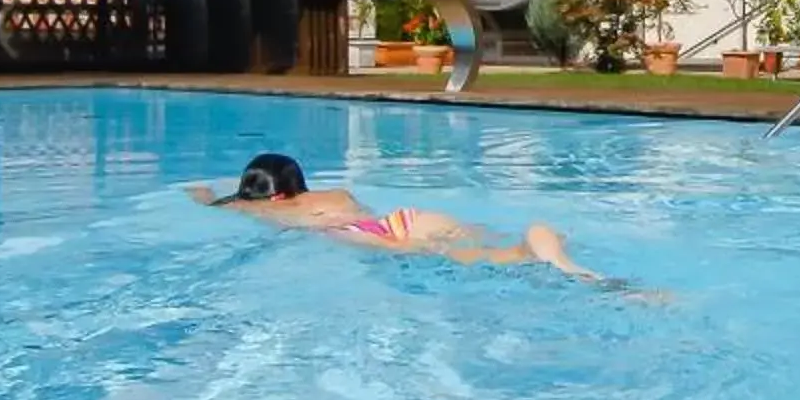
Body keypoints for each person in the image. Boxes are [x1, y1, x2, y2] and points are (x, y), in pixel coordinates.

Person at [190, 153, 597, 277]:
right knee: (492, 244)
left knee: (499, 259)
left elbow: (218, 202)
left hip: (369, 234)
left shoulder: (261, 208)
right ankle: (551, 248)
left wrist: (204, 193)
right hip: (405, 217)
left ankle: (543, 252)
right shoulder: (335, 194)